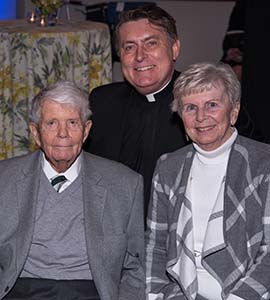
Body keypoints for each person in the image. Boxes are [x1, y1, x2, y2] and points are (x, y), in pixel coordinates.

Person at [0, 80, 145, 300]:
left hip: (92, 292)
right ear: (35, 133)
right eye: (51, 123)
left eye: (72, 123)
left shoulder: (125, 184)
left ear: (86, 131)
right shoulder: (4, 179)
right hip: (20, 290)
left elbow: (137, 265)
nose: (63, 134)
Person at [145, 62, 270, 300]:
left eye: (212, 105)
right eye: (190, 108)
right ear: (181, 117)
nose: (201, 117)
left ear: (234, 111)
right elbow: (155, 245)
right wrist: (157, 295)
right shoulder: (168, 167)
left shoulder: (263, 162)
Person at [83, 5, 188, 218]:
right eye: (129, 47)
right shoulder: (102, 102)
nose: (140, 56)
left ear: (174, 48)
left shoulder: (203, 103)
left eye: (151, 43)